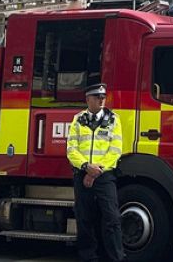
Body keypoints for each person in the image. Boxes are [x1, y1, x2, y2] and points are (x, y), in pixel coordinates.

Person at [67, 83, 125, 262]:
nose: (101, 100)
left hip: (103, 175)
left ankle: (116, 257)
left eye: (103, 97)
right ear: (88, 99)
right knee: (84, 218)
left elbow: (115, 151)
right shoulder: (78, 119)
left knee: (112, 217)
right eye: (97, 97)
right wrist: (86, 167)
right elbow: (71, 149)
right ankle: (88, 257)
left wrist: (94, 172)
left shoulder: (114, 119)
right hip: (82, 173)